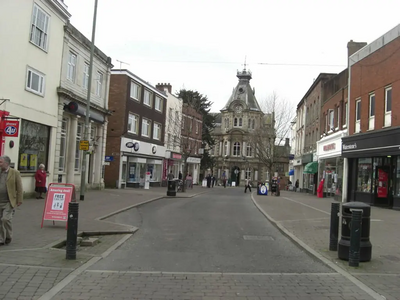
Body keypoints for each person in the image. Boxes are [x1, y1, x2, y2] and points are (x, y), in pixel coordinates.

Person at [0, 156, 23, 246]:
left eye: (1, 162)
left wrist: (19, 199)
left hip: (9, 201)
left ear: (6, 163)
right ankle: (1, 239)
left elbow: (19, 187)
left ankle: (9, 235)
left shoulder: (15, 173)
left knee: (5, 219)